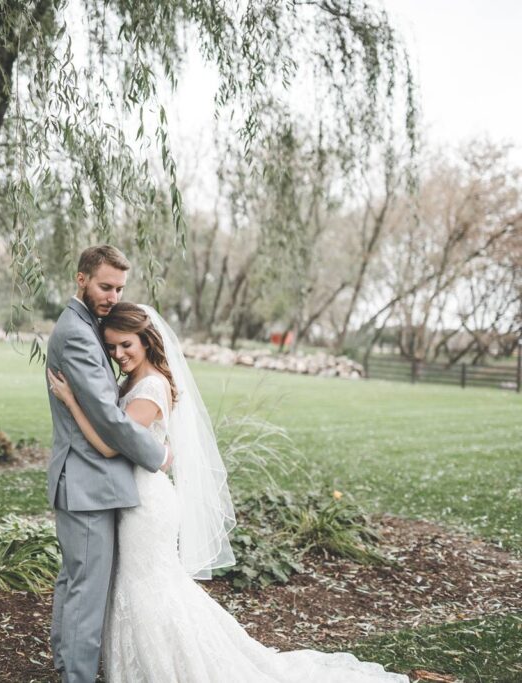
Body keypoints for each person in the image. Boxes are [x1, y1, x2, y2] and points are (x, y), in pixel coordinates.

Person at [47, 301, 410, 683]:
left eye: (126, 346)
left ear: (145, 339)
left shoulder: (150, 386)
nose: (119, 355)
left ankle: (175, 667)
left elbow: (109, 446)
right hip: (133, 495)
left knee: (149, 589)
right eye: (113, 348)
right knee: (139, 586)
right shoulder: (136, 381)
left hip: (147, 506)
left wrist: (71, 400)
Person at [45, 246, 172, 683]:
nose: (113, 296)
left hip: (86, 481)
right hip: (86, 482)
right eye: (105, 286)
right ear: (81, 279)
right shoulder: (78, 333)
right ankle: (76, 676)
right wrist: (157, 454)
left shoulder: (86, 326)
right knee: (87, 591)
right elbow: (109, 417)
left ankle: (67, 667)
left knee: (76, 582)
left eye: (119, 287)